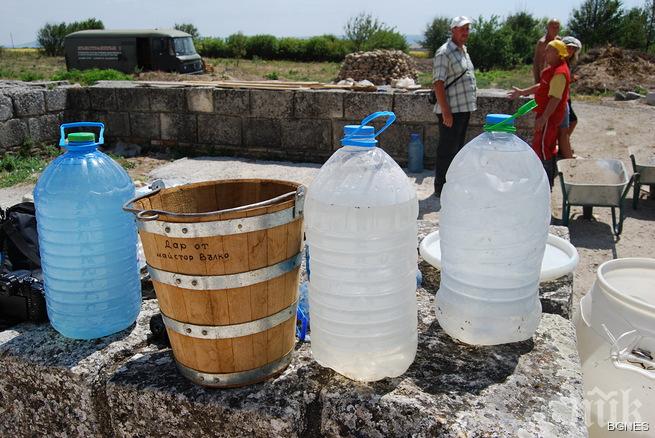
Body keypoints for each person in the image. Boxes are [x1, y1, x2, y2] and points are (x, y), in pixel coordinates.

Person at [509, 40, 570, 187]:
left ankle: (545, 184)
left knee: (544, 149)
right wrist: (523, 92)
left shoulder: (559, 73)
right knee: (543, 147)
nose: (545, 53)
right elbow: (542, 86)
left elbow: (555, 98)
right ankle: (541, 181)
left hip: (549, 118)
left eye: (548, 50)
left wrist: (544, 118)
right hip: (544, 115)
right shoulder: (551, 70)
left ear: (557, 54)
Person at [432, 16, 477, 197]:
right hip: (451, 111)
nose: (465, 32)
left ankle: (452, 185)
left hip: (463, 109)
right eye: (462, 29)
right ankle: (441, 188)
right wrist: (446, 112)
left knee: (457, 150)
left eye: (467, 29)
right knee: (446, 150)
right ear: (453, 30)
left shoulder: (463, 50)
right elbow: (438, 83)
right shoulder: (444, 52)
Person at [557, 36, 582, 159]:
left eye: (573, 48)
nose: (571, 50)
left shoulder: (567, 61)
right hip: (561, 98)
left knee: (571, 122)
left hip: (566, 96)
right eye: (569, 47)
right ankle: (566, 153)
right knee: (564, 129)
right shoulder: (560, 60)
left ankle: (563, 148)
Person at [533, 19, 561, 84]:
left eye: (557, 27)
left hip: (556, 76)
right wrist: (537, 81)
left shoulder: (560, 41)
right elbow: (536, 63)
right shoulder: (542, 42)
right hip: (544, 77)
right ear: (548, 28)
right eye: (553, 27)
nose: (555, 29)